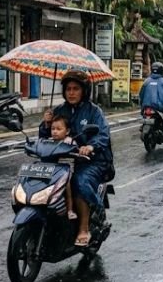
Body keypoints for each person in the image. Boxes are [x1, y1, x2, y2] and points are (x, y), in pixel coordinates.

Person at [40, 70, 113, 247]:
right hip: (63, 161)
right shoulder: (59, 110)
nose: (71, 92)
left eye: (76, 89)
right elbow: (47, 136)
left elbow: (103, 134)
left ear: (84, 91)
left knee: (79, 181)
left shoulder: (94, 112)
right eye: (68, 89)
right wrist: (46, 124)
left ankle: (83, 228)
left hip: (93, 161)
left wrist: (90, 146)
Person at [49, 114, 77, 220]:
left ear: (67, 131)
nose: (55, 131)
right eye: (53, 129)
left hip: (66, 171)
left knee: (67, 185)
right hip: (52, 170)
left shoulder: (70, 142)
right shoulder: (49, 141)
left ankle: (70, 210)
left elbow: (76, 151)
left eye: (59, 129)